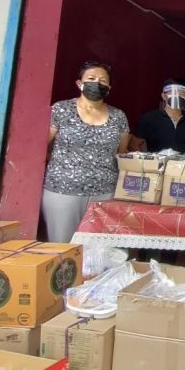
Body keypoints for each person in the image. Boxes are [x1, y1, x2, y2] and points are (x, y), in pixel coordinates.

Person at [42, 61, 130, 243]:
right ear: (79, 83)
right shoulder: (61, 109)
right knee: (62, 248)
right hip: (63, 192)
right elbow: (40, 146)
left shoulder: (118, 116)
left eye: (103, 81)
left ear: (109, 88)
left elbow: (121, 154)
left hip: (105, 193)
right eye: (91, 78)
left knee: (100, 252)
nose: (97, 83)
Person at [129, 78, 185, 154]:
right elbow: (133, 145)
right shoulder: (149, 119)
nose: (178, 97)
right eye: (174, 93)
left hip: (183, 165)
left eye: (182, 94)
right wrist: (147, 162)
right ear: (164, 96)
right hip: (156, 165)